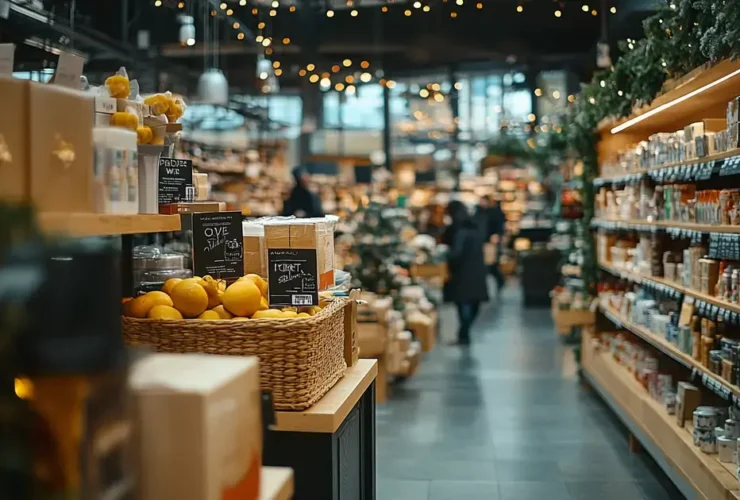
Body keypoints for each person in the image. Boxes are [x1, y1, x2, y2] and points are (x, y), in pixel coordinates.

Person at [443, 200, 489, 345]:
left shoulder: (458, 230)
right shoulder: (475, 225)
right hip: (477, 269)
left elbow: (456, 253)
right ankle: (465, 332)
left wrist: (445, 254)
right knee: (474, 302)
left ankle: (464, 332)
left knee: (462, 303)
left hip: (462, 271)